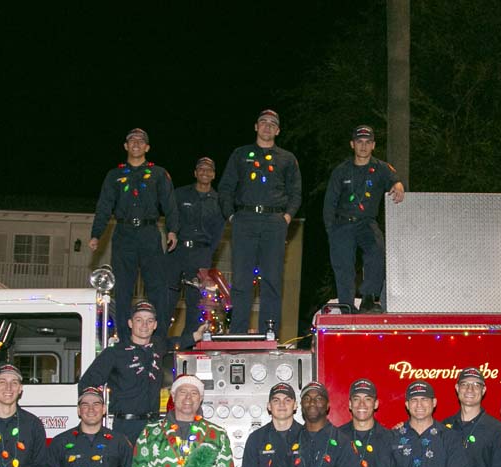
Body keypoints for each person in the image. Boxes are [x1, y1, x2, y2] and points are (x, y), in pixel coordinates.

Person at [78, 300, 204, 467]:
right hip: (125, 426)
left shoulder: (158, 346)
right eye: (139, 320)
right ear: (130, 323)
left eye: (149, 321)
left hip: (154, 425)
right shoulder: (115, 353)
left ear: (155, 325)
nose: (144, 325)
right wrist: (95, 410)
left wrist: (195, 337)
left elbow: (176, 341)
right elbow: (87, 383)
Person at [218, 109, 302, 335]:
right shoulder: (240, 154)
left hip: (274, 221)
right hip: (244, 220)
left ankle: (269, 333)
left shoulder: (287, 158)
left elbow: (296, 193)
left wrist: (287, 216)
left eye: (272, 124)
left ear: (277, 130)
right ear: (256, 126)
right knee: (242, 280)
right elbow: (225, 188)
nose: (267, 126)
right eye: (263, 122)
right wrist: (232, 216)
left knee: (272, 279)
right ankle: (238, 332)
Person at [89, 128, 179, 328]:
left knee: (157, 287)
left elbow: (170, 204)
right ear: (126, 146)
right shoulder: (115, 175)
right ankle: (123, 335)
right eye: (132, 140)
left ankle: (158, 336)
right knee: (122, 289)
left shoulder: (158, 173)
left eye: (141, 141)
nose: (136, 143)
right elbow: (104, 206)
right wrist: (96, 234)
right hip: (123, 234)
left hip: (149, 234)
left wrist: (173, 230)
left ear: (147, 147)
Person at [322, 124, 405, 312]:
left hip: (366, 222)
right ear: (352, 144)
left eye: (368, 142)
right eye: (359, 142)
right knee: (343, 266)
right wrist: (331, 231)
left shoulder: (381, 168)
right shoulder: (341, 170)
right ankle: (347, 306)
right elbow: (329, 203)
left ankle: (369, 297)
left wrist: (398, 184)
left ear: (373, 145)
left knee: (377, 250)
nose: (363, 146)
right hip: (342, 223)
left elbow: (395, 179)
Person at [166, 157, 226, 340]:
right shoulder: (179, 194)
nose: (204, 172)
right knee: (167, 298)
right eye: (201, 169)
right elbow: (171, 219)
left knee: (195, 303)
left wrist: (207, 253)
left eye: (208, 170)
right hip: (177, 253)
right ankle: (158, 341)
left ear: (214, 175)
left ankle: (188, 343)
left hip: (201, 255)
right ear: (195, 173)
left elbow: (219, 231)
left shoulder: (218, 200)